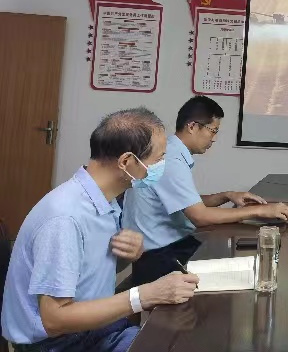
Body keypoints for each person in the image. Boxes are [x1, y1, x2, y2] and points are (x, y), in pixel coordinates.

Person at [1, 108, 199, 352]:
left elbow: (86, 275)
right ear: (126, 162)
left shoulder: (104, 202)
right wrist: (144, 295)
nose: (162, 166)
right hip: (58, 342)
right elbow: (54, 319)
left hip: (94, 328)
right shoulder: (65, 218)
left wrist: (129, 256)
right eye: (159, 159)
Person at [123, 96, 288, 285]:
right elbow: (200, 216)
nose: (214, 138)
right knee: (236, 270)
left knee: (232, 254)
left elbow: (185, 202)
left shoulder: (171, 151)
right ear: (192, 126)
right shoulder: (171, 160)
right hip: (159, 256)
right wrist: (260, 211)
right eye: (213, 130)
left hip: (167, 245)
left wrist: (226, 196)